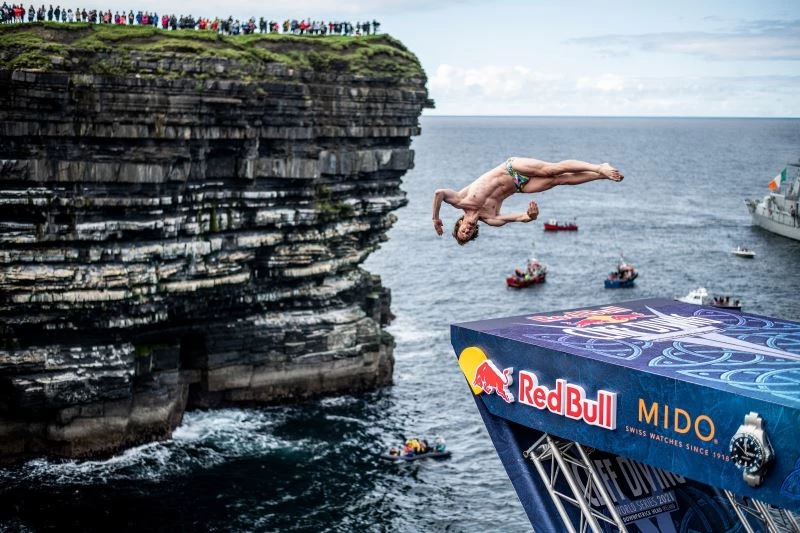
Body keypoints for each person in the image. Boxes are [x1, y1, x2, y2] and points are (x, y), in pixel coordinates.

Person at [432, 157, 623, 245]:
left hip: (510, 168)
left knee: (552, 170)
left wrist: (436, 218)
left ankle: (598, 167)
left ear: (460, 223)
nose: (467, 230)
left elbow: (439, 193)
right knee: (559, 180)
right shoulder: (490, 218)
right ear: (474, 231)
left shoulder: (461, 201)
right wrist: (531, 216)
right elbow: (518, 218)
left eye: (463, 231)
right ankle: (602, 175)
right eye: (469, 234)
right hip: (520, 185)